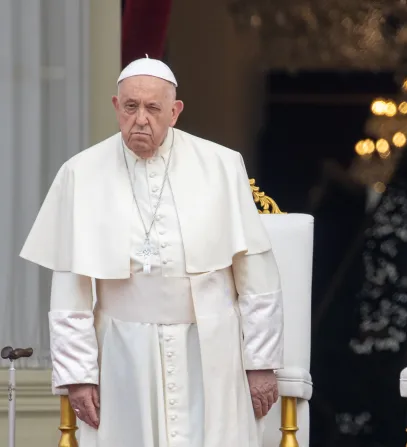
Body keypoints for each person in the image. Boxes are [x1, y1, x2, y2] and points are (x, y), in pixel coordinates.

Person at [20, 56, 284, 446]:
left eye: (152, 108)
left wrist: (260, 362)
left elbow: (256, 276)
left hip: (210, 348)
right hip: (123, 354)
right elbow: (69, 289)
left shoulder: (222, 165)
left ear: (174, 112)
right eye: (130, 107)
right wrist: (78, 374)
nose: (140, 118)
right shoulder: (80, 173)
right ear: (116, 107)